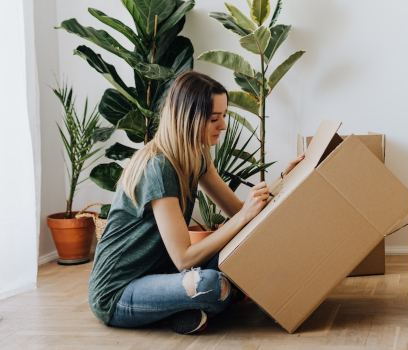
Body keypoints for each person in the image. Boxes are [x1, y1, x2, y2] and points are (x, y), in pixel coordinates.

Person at [88, 71, 304, 334]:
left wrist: (284, 180)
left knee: (243, 251)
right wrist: (243, 217)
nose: (223, 125)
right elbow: (183, 258)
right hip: (118, 293)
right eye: (214, 118)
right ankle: (206, 298)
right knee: (210, 284)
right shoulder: (158, 166)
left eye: (224, 116)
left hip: (162, 275)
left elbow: (241, 212)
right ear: (188, 119)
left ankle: (192, 307)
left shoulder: (196, 156)